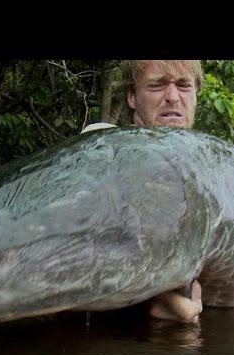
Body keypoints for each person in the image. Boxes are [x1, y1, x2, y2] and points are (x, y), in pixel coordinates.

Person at [81, 60, 204, 323]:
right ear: (132, 98)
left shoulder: (210, 170)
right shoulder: (103, 146)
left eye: (183, 86)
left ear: (195, 96)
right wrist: (149, 292)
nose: (172, 97)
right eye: (156, 85)